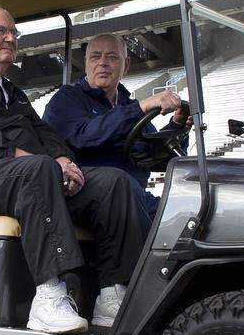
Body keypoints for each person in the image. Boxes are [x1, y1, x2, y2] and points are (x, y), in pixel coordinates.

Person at [0, 6, 151, 334]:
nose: (11, 38)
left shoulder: (11, 92)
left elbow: (44, 133)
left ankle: (111, 294)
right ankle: (48, 295)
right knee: (38, 169)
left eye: (14, 33)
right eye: (2, 31)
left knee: (113, 182)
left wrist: (62, 160)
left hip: (23, 180)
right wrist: (45, 165)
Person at [43, 33, 189, 218]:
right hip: (87, 196)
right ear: (86, 62)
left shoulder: (129, 106)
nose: (103, 63)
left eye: (112, 57)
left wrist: (177, 127)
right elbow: (85, 136)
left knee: (186, 215)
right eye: (96, 56)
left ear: (126, 65)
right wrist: (140, 107)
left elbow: (156, 158)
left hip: (134, 197)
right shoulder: (67, 99)